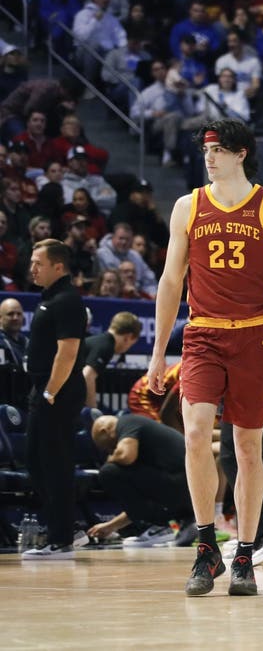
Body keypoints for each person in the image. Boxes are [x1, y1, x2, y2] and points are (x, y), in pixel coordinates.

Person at [146, 119, 263, 597]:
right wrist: (157, 353)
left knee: (250, 451)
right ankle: (206, 547)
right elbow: (171, 282)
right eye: (207, 149)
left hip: (255, 338)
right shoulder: (187, 206)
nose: (210, 157)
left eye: (220, 149)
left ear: (241, 154)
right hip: (203, 336)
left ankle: (246, 554)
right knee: (194, 434)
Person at [20, 239, 87, 559]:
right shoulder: (49, 299)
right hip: (44, 393)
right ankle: (67, 526)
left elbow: (68, 352)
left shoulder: (67, 300)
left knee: (54, 464)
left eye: (38, 263)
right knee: (35, 460)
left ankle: (61, 540)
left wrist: (50, 392)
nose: (32, 268)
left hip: (56, 395)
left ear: (57, 266)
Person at [86, 414, 193, 546]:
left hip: (182, 485)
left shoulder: (127, 422)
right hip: (188, 489)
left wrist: (110, 458)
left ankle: (164, 525)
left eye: (106, 448)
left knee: (109, 472)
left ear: (105, 431)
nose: (110, 451)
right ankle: (179, 524)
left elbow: (126, 456)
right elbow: (145, 501)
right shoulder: (144, 446)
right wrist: (111, 526)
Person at [81, 311, 142, 408]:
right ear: (128, 337)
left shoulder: (101, 341)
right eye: (131, 343)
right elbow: (87, 376)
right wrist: (92, 408)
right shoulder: (107, 346)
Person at [0, 297, 27, 369]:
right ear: (0, 318)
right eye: (10, 314)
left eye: (19, 314)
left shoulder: (27, 342)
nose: (15, 318)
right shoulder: (1, 343)